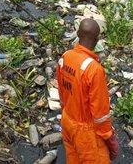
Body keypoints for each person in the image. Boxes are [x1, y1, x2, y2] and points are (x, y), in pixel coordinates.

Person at [56, 18, 119, 163]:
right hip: (85, 133)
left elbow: (62, 93)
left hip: (67, 121)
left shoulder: (65, 57)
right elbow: (100, 113)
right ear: (97, 40)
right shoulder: (93, 69)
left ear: (77, 33)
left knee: (73, 159)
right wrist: (109, 138)